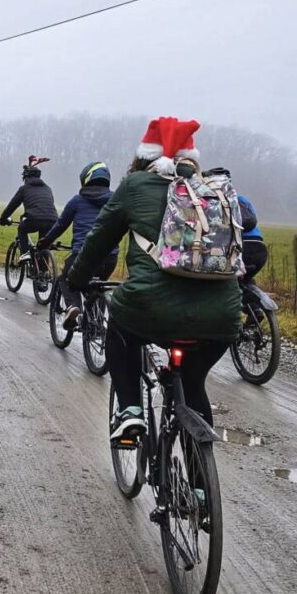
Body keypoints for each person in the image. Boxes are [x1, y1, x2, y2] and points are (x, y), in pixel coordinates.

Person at [66, 117, 241, 440]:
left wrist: (75, 280)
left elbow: (97, 241)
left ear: (143, 158)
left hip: (151, 309)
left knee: (120, 326)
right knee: (192, 381)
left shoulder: (134, 186)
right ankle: (201, 488)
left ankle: (130, 410)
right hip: (222, 316)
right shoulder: (212, 192)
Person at [37, 161, 119, 330]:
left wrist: (44, 242)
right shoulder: (116, 200)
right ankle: (97, 328)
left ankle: (73, 307)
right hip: (110, 256)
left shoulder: (77, 201)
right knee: (99, 286)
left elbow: (60, 225)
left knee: (65, 278)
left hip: (83, 254)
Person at [0, 155, 58, 263]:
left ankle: (24, 253)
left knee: (22, 228)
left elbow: (11, 206)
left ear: (26, 177)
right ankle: (42, 275)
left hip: (34, 219)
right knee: (43, 247)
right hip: (52, 220)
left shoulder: (24, 189)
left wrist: (3, 219)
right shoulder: (48, 188)